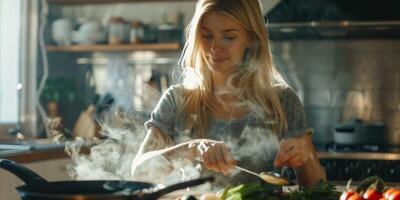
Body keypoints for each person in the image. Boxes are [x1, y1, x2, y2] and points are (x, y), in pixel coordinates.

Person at [131, 0, 326, 187]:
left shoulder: (282, 102)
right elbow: (139, 170)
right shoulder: (177, 101)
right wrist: (192, 147)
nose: (215, 48)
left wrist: (306, 157)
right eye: (207, 35)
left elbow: (318, 188)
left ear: (251, 38)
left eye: (229, 37)